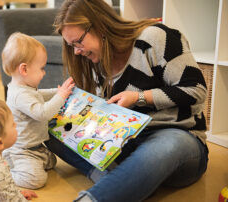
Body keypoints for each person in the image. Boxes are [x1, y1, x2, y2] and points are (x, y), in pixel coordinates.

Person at [44, 0, 209, 201]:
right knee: (50, 126)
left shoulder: (154, 37)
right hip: (126, 142)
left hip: (178, 139)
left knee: (167, 145)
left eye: (78, 42)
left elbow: (197, 89)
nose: (77, 51)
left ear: (100, 26)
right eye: (71, 46)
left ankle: (101, 194)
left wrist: (140, 97)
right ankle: (120, 181)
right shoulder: (95, 60)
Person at [1, 32, 75, 189]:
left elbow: (39, 95)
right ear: (24, 70)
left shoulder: (25, 88)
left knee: (51, 162)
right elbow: (42, 113)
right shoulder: (19, 95)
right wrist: (61, 96)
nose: (44, 72)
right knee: (37, 180)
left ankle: (23, 164)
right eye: (42, 68)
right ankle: (4, 173)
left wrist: (57, 92)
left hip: (35, 146)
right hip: (21, 150)